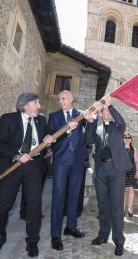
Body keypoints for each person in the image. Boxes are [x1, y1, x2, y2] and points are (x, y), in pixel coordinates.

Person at [0, 92, 54, 258]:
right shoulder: (8, 119)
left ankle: (32, 242)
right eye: (36, 103)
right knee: (3, 204)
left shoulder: (41, 120)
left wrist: (47, 142)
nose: (39, 106)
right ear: (25, 105)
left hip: (34, 167)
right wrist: (16, 156)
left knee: (33, 205)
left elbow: (44, 144)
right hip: (11, 166)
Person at [84, 96, 132, 256]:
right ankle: (103, 235)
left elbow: (121, 121)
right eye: (103, 110)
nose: (106, 112)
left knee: (117, 206)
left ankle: (119, 241)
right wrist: (90, 121)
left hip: (116, 169)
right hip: (101, 169)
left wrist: (109, 106)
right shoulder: (97, 129)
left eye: (107, 110)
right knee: (103, 205)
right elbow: (88, 139)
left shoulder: (118, 127)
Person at [48, 90, 90, 251]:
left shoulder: (81, 114)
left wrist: (91, 120)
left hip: (78, 161)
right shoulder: (53, 116)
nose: (61, 101)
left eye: (64, 98)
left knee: (74, 195)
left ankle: (71, 227)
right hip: (61, 161)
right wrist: (67, 129)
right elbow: (51, 136)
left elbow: (90, 132)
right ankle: (55, 235)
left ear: (72, 99)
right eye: (59, 99)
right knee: (58, 196)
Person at [123, 133, 138, 217]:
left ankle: (130, 208)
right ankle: (122, 209)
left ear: (131, 139)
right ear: (123, 139)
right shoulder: (120, 148)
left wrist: (137, 171)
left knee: (131, 190)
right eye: (125, 137)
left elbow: (136, 161)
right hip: (122, 172)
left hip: (131, 172)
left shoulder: (134, 149)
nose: (127, 139)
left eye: (129, 137)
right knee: (123, 191)